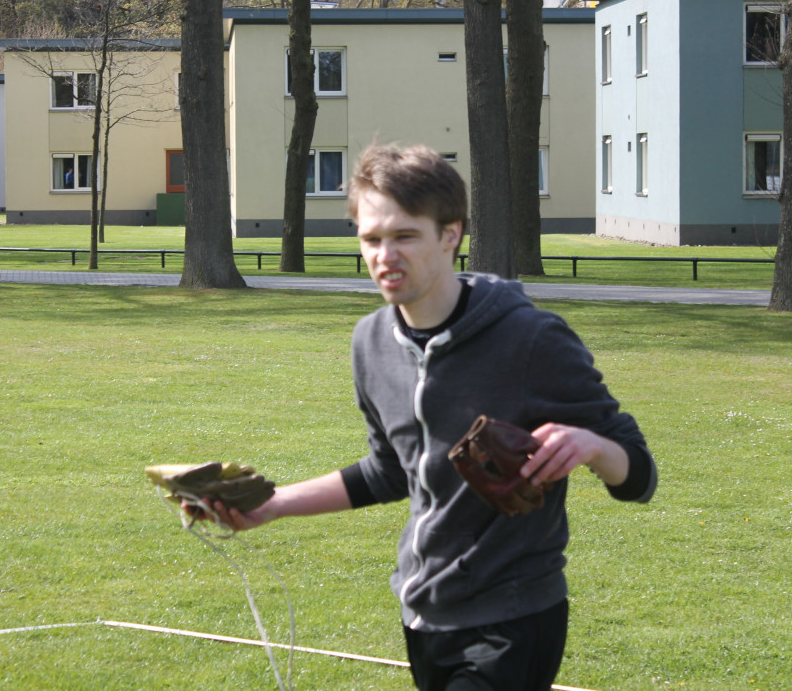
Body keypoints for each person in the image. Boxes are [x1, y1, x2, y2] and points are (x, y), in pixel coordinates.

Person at [213, 143, 657, 691]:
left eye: (404, 236)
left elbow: (638, 473)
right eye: (371, 238)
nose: (384, 256)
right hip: (422, 614)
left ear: (450, 235)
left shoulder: (532, 340)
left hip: (512, 619)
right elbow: (391, 471)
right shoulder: (371, 342)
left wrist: (591, 446)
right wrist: (273, 506)